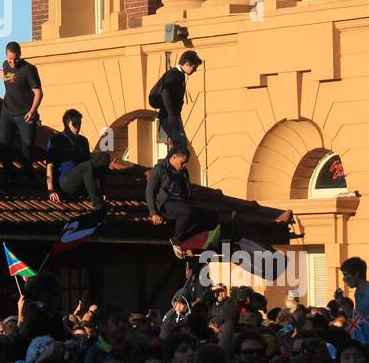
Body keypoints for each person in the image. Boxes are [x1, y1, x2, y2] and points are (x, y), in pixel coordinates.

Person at [147, 145, 300, 258]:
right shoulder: (159, 170)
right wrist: (154, 212)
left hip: (184, 203)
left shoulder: (184, 172)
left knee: (210, 215)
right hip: (167, 205)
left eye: (186, 163)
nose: (184, 166)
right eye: (182, 162)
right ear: (173, 157)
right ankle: (176, 240)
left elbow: (188, 191)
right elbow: (150, 191)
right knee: (186, 212)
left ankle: (194, 241)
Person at [0, 42, 42, 176]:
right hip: (7, 112)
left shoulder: (29, 69)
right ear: (6, 56)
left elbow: (38, 93)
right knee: (3, 143)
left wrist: (32, 112)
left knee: (27, 143)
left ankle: (28, 172)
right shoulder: (5, 65)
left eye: (15, 59)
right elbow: (8, 77)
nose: (12, 62)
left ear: (20, 55)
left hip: (25, 114)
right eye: (10, 59)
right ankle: (8, 174)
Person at [46, 109, 110, 212]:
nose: (78, 127)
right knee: (86, 166)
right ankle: (98, 205)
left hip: (83, 181)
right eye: (75, 124)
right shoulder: (56, 140)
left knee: (103, 156)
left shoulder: (83, 141)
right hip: (66, 183)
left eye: (79, 123)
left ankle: (99, 191)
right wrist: (51, 190)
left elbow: (89, 161)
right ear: (67, 123)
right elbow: (49, 165)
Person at [147, 50, 201, 151]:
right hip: (169, 117)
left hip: (173, 116)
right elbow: (165, 93)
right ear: (187, 64)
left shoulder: (179, 75)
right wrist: (171, 115)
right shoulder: (174, 74)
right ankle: (167, 166)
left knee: (180, 145)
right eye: (194, 67)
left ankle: (169, 165)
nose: (195, 70)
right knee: (180, 145)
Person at [340, 257, 369, 325]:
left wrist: (368, 317)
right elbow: (356, 316)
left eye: (345, 274)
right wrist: (342, 302)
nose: (344, 279)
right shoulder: (357, 293)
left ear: (356, 274)